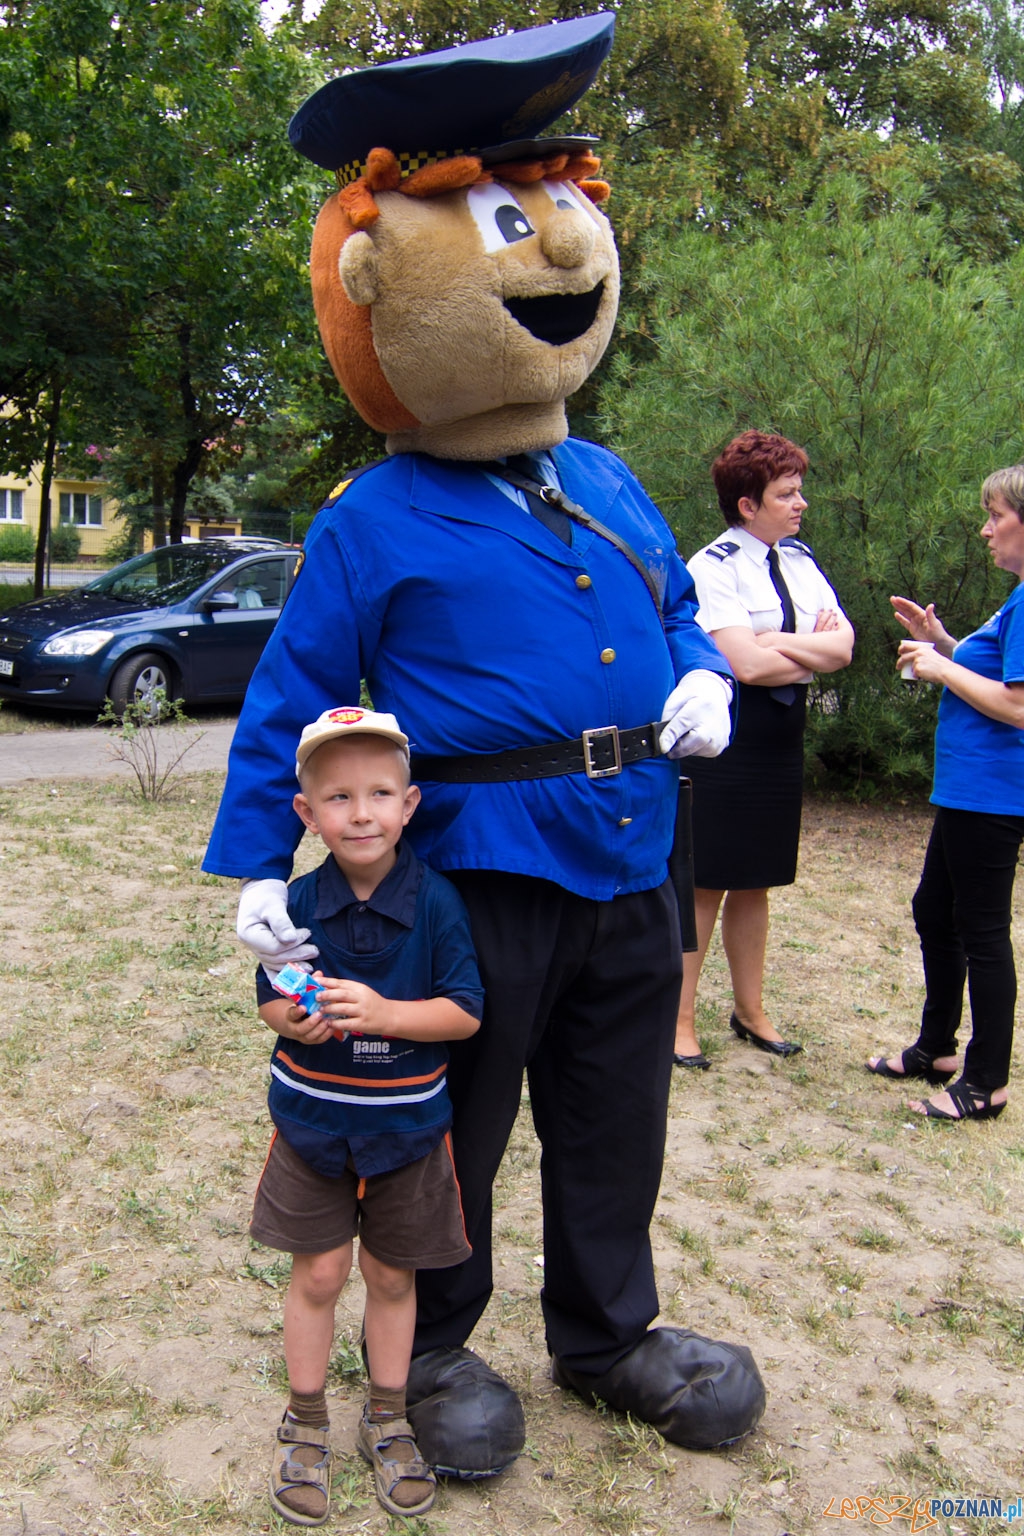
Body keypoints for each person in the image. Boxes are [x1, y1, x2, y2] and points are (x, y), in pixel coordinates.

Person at [205, 15, 767, 1478]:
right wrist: (253, 870)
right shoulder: (372, 517)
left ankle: (605, 1331)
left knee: (615, 1112)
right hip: (478, 871)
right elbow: (292, 695)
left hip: (635, 851)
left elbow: (672, 610)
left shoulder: (608, 473)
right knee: (457, 1120)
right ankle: (437, 1339)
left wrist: (700, 677)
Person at [252, 707, 483, 1524]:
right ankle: (305, 1419)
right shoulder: (293, 904)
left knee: (391, 1274)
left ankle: (387, 1418)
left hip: (408, 1130)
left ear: (410, 805)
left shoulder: (438, 903)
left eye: (380, 793)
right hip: (313, 1127)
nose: (361, 812)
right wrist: (295, 1020)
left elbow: (463, 1014)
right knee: (317, 1273)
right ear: (305, 814)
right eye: (338, 797)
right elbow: (269, 1003)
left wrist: (386, 1014)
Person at [674, 431, 855, 1067]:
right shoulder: (712, 566)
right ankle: (680, 1019)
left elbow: (845, 649)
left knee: (757, 882)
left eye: (798, 490)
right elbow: (744, 668)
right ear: (748, 505)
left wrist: (770, 643)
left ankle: (750, 1010)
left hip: (780, 741)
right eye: (787, 493)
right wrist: (800, 650)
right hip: (727, 743)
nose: (801, 502)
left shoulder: (802, 561)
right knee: (705, 885)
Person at [867, 465, 1024, 1120]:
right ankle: (937, 1048)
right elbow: (996, 672)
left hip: (993, 792)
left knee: (981, 929)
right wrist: (944, 644)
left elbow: (1018, 707)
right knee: (936, 911)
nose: (985, 530)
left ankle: (986, 1082)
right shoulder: (1016, 598)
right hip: (968, 789)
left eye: (996, 517)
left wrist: (937, 669)